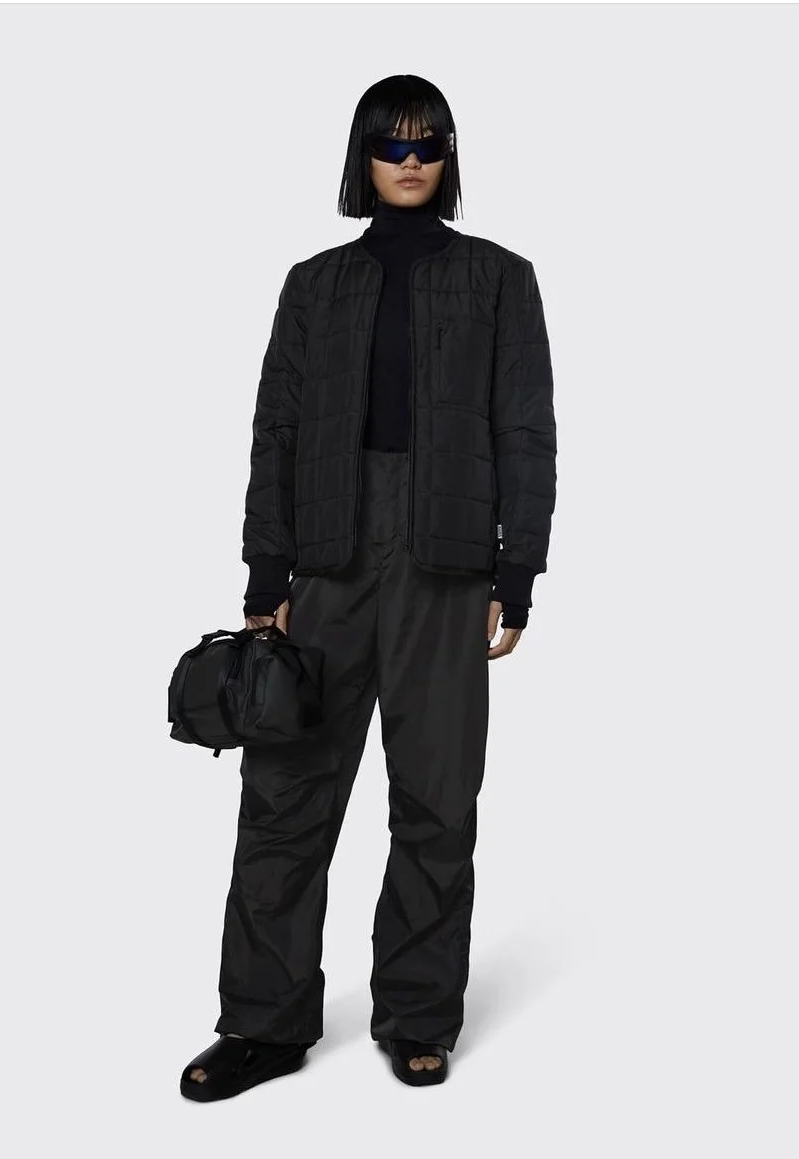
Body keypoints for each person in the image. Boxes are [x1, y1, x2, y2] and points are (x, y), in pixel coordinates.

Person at [180, 74, 557, 1101]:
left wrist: (516, 570)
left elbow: (525, 429)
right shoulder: (315, 286)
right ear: (363, 157)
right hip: (328, 557)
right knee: (285, 796)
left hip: (445, 564)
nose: (411, 160)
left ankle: (419, 1015)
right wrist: (266, 574)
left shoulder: (499, 279)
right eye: (391, 144)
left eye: (429, 143)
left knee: (436, 801)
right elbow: (277, 430)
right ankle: (262, 1024)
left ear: (449, 155)